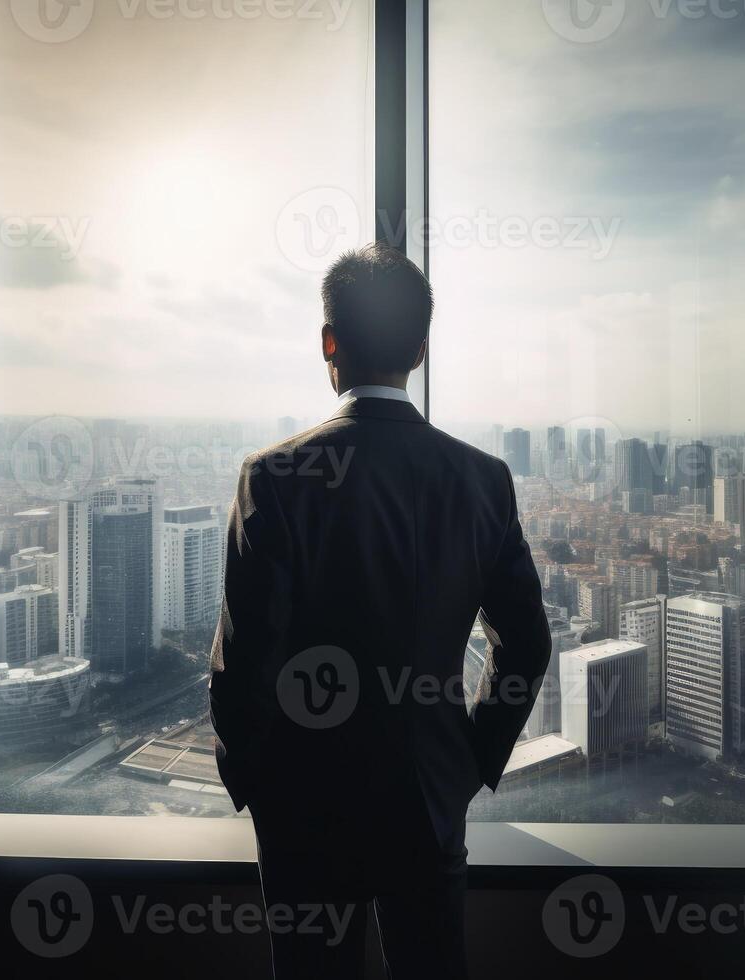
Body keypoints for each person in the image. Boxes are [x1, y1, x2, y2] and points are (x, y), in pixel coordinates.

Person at [209, 242, 551, 979]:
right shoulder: (481, 479)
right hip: (427, 799)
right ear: (422, 350)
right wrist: (467, 762)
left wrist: (256, 782)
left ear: (329, 343)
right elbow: (525, 644)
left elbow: (243, 660)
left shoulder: (273, 477)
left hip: (302, 806)